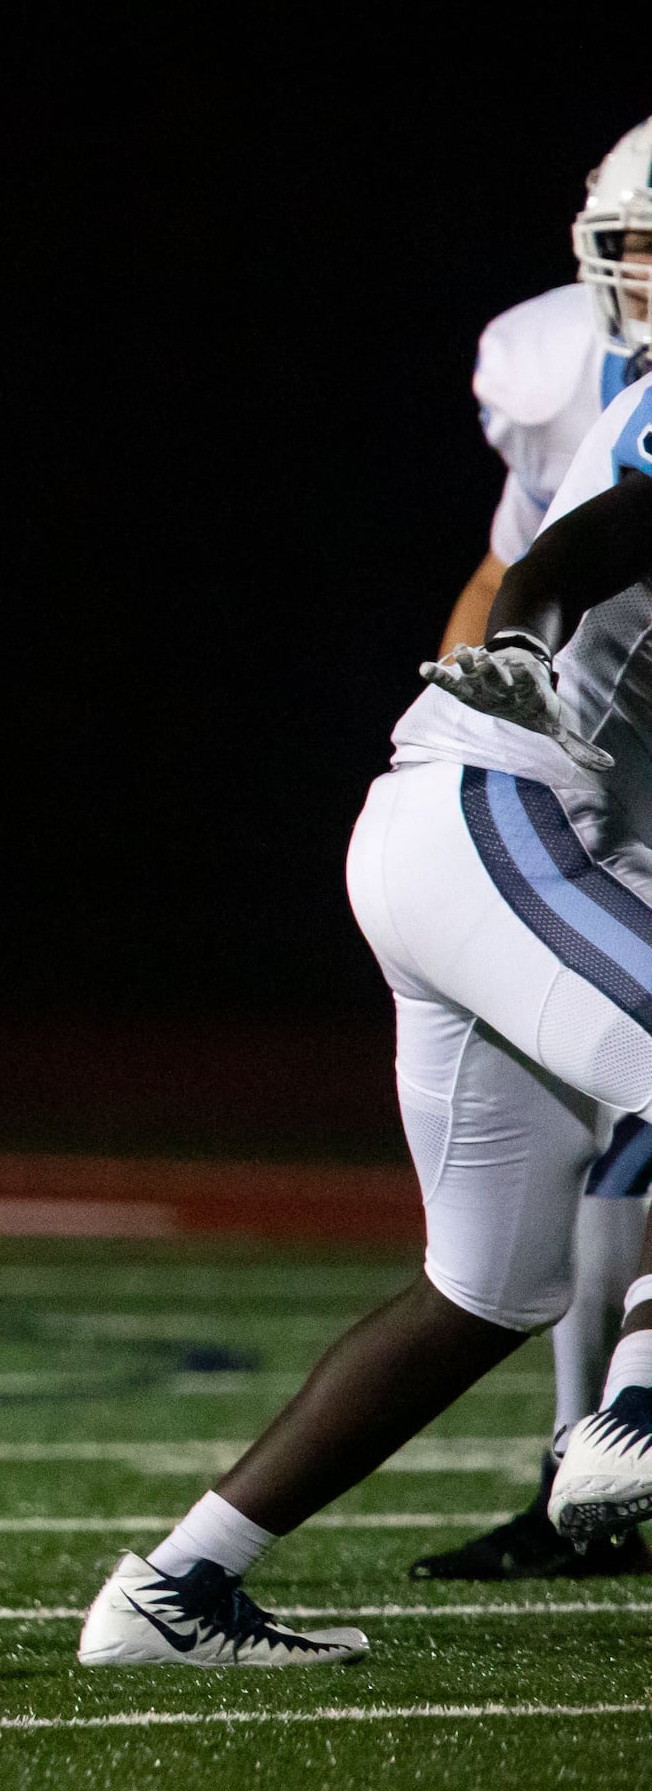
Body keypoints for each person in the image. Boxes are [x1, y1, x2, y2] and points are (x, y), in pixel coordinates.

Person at [78, 384, 651, 1667]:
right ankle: (638, 1410)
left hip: (470, 838)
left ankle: (174, 1592)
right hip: (517, 819)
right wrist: (528, 642)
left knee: (489, 1285)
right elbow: (602, 537)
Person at [410, 116, 652, 1583]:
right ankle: (589, 1453)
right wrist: (471, 701)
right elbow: (531, 556)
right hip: (599, 735)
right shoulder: (560, 364)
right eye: (629, 249)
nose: (642, 277)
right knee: (581, 1115)